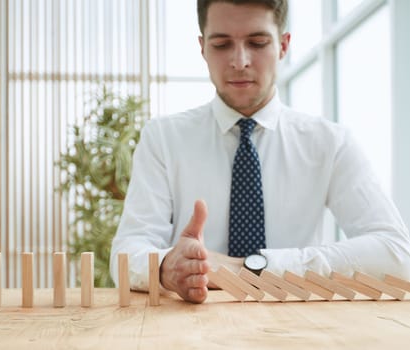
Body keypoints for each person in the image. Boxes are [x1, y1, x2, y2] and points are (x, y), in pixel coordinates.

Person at [110, 0, 410, 303]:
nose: (240, 61)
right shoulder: (163, 138)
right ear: (202, 48)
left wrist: (253, 268)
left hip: (299, 328)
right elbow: (126, 252)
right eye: (222, 44)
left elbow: (398, 255)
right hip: (191, 329)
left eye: (257, 42)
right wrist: (166, 267)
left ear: (283, 45)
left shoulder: (331, 144)